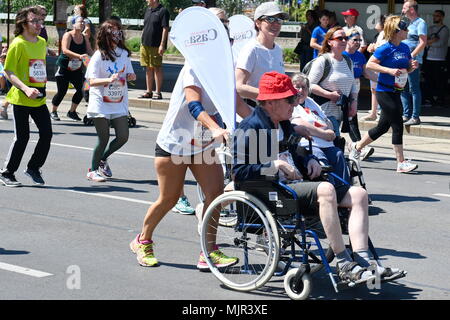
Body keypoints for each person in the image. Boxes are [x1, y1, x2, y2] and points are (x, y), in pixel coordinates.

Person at [233, 71, 400, 285]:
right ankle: (343, 263)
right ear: (271, 102)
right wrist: (273, 165)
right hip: (271, 191)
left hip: (294, 185)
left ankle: (363, 261)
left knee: (358, 194)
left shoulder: (282, 123)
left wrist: (310, 159)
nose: (295, 103)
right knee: (325, 189)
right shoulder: (252, 127)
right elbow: (240, 173)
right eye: (290, 99)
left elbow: (295, 151)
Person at [130, 8, 249, 269]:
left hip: (202, 145)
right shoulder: (195, 65)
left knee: (215, 195)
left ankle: (209, 251)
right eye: (220, 25)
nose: (225, 34)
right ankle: (143, 240)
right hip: (176, 142)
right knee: (169, 198)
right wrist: (216, 128)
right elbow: (195, 106)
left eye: (227, 29)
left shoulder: (224, 65)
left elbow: (235, 102)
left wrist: (265, 122)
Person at [348, 15, 419, 174]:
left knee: (382, 127)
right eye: (405, 29)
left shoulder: (405, 47)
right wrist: (389, 70)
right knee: (397, 124)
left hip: (396, 91)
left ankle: (356, 146)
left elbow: (406, 68)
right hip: (384, 91)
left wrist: (412, 66)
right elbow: (371, 64)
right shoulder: (385, 48)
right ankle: (400, 162)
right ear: (396, 31)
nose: (408, 31)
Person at [0, 6, 52, 186]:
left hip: (39, 96)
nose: (39, 25)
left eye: (41, 21)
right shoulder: (18, 43)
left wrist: (41, 87)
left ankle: (33, 167)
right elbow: (8, 71)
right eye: (35, 21)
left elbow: (39, 68)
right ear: (23, 23)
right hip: (22, 97)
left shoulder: (41, 42)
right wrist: (25, 88)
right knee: (22, 137)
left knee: (47, 134)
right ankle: (7, 173)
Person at [84, 19, 136, 182]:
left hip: (118, 100)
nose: (117, 34)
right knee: (103, 137)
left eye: (119, 31)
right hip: (100, 101)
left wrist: (131, 76)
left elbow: (129, 74)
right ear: (106, 35)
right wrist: (107, 80)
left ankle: (102, 159)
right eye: (113, 32)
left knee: (123, 136)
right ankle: (92, 170)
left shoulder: (124, 53)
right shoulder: (99, 56)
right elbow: (91, 82)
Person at [291, 73, 350, 186]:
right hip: (308, 144)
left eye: (304, 87)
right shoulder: (291, 103)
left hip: (326, 143)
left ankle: (344, 190)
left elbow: (326, 121)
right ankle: (331, 192)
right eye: (297, 86)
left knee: (338, 155)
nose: (300, 90)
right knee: (321, 158)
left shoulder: (310, 102)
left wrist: (329, 131)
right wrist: (324, 134)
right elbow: (299, 123)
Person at [307, 26, 358, 139]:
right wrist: (329, 95)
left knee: (333, 141)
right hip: (324, 112)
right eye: (340, 38)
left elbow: (353, 84)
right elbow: (310, 85)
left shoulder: (348, 61)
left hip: (341, 112)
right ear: (330, 42)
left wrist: (354, 102)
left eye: (346, 38)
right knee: (335, 140)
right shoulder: (323, 61)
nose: (344, 41)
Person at [235, 1, 288, 108]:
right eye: (270, 19)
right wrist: (270, 95)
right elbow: (239, 86)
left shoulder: (278, 50)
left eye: (279, 20)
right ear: (257, 23)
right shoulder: (251, 49)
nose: (276, 24)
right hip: (255, 110)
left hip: (276, 112)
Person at [50, 16, 93, 122]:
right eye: (80, 22)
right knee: (62, 91)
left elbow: (90, 51)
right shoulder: (68, 35)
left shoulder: (84, 37)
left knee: (82, 89)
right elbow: (65, 50)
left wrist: (99, 57)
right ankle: (53, 111)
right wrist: (80, 56)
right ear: (73, 24)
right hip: (64, 67)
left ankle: (72, 112)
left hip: (77, 68)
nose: (82, 24)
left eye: (84, 22)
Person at [343, 28, 378, 160]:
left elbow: (366, 72)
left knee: (352, 117)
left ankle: (355, 146)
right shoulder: (343, 55)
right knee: (350, 118)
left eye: (359, 40)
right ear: (346, 40)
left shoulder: (360, 56)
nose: (358, 43)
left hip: (355, 89)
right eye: (354, 40)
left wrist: (385, 80)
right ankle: (358, 146)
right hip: (343, 89)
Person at [401, 0, 427, 126]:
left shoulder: (420, 23)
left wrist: (412, 55)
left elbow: (423, 42)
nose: (402, 10)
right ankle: (406, 115)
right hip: (405, 60)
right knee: (403, 87)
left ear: (412, 9)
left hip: (413, 60)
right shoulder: (410, 23)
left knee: (413, 88)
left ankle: (415, 116)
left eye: (405, 7)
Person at [138, 0, 169, 100]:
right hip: (145, 44)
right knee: (148, 68)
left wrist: (162, 45)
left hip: (156, 45)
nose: (146, 0)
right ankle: (149, 91)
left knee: (157, 68)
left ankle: (158, 92)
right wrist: (141, 40)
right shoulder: (148, 10)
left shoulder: (163, 11)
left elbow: (165, 28)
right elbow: (145, 26)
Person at [363, 14, 387, 121]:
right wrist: (372, 47)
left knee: (382, 89)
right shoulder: (379, 34)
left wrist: (374, 47)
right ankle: (373, 112)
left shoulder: (388, 34)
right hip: (375, 64)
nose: (376, 23)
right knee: (374, 89)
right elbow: (371, 47)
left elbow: (383, 48)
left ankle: (381, 112)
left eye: (379, 21)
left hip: (382, 65)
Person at [423, 10, 449, 106]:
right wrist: (432, 40)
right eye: (434, 16)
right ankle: (430, 99)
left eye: (437, 16)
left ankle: (439, 99)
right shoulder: (430, 28)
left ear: (442, 17)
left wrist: (429, 42)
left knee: (439, 81)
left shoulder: (445, 29)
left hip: (439, 59)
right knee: (429, 80)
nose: (434, 18)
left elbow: (440, 44)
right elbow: (424, 41)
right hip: (429, 58)